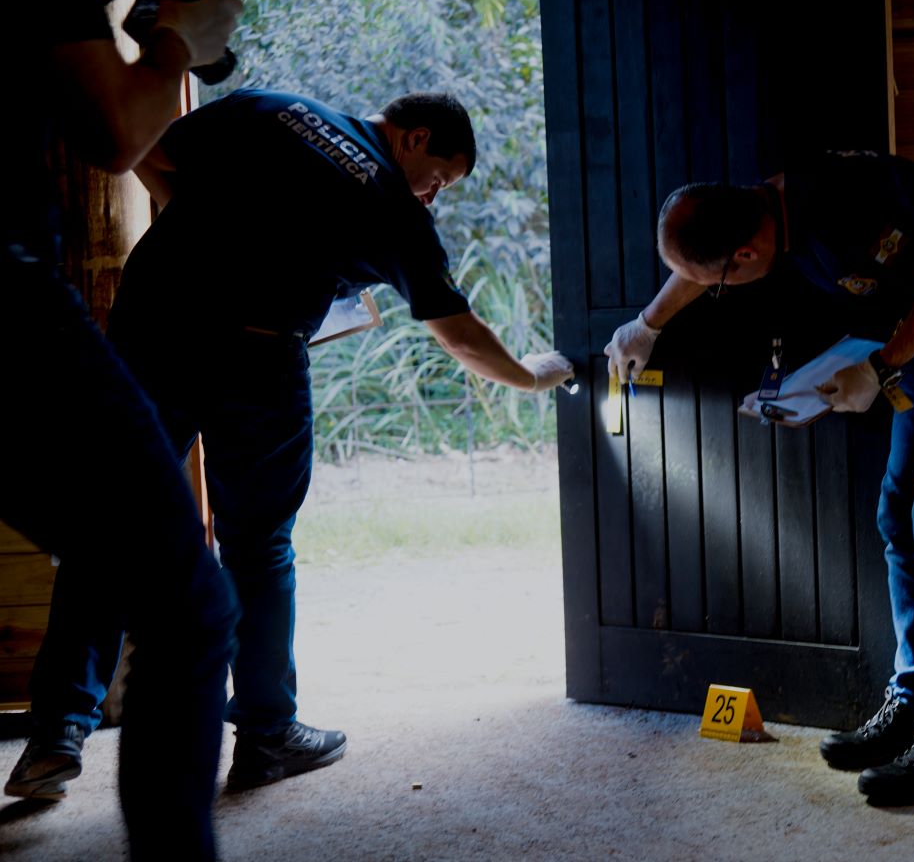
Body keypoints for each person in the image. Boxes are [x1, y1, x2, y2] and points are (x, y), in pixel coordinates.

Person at [18, 86, 574, 795]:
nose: (431, 197)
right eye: (438, 179)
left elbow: (150, 154)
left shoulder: (269, 108)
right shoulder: (389, 203)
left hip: (154, 328)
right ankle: (267, 734)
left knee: (111, 524)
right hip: (258, 357)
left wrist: (201, 227)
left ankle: (57, 729)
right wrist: (529, 378)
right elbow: (459, 333)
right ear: (414, 136)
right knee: (258, 545)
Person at [604, 150, 914, 806]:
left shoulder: (840, 209)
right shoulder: (767, 210)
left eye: (717, 282)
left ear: (747, 256)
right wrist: (647, 324)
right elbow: (706, 264)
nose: (712, 287)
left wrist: (878, 369)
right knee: (899, 514)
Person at [3, 0, 242, 857]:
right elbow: (117, 132)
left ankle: (56, 726)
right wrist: (181, 43)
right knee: (186, 605)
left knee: (110, 552)